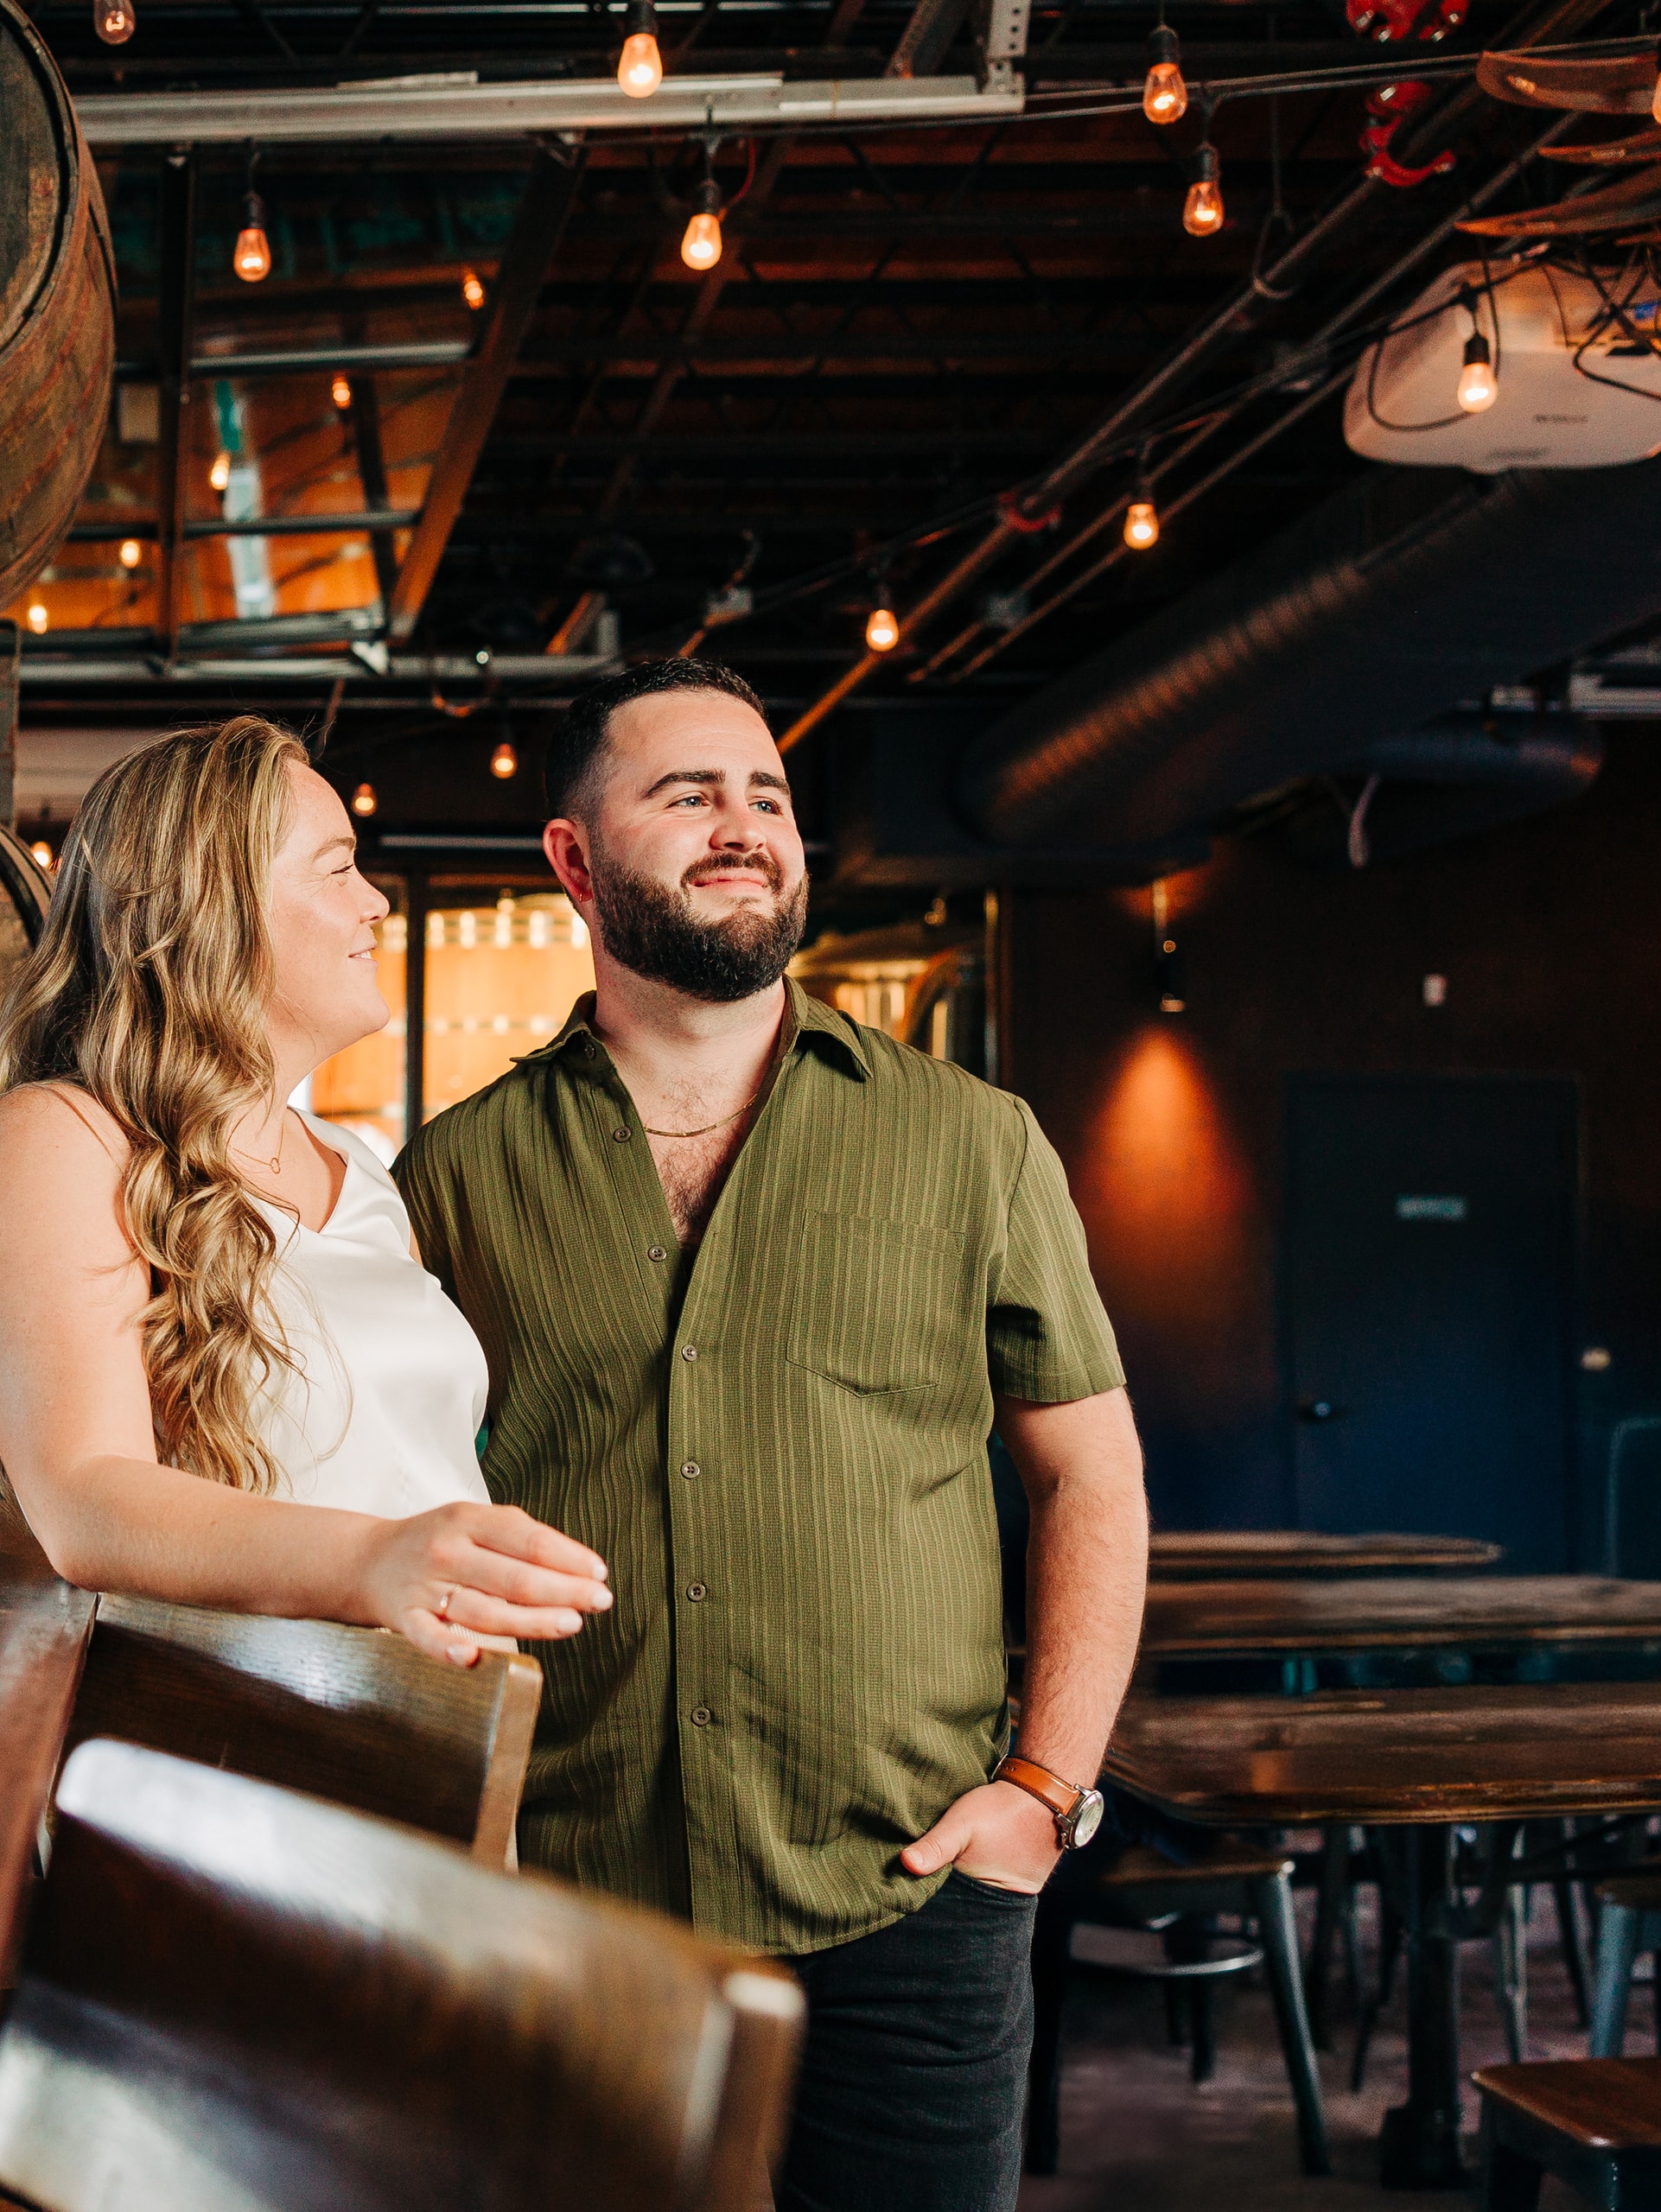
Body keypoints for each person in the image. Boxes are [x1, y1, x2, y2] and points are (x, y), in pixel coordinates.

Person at [394, 657, 1147, 2212]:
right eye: (688, 794)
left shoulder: (971, 1142)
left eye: (768, 798)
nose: (744, 826)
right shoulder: (455, 1178)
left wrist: (1044, 1790)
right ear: (574, 860)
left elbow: (1091, 1476)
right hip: (576, 1903)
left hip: (912, 1898)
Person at [0, 716, 614, 1667]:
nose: (375, 901)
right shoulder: (63, 1139)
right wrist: (373, 1560)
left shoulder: (362, 1170)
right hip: (238, 1761)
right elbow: (85, 1497)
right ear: (211, 901)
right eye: (337, 869)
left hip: (436, 1750)